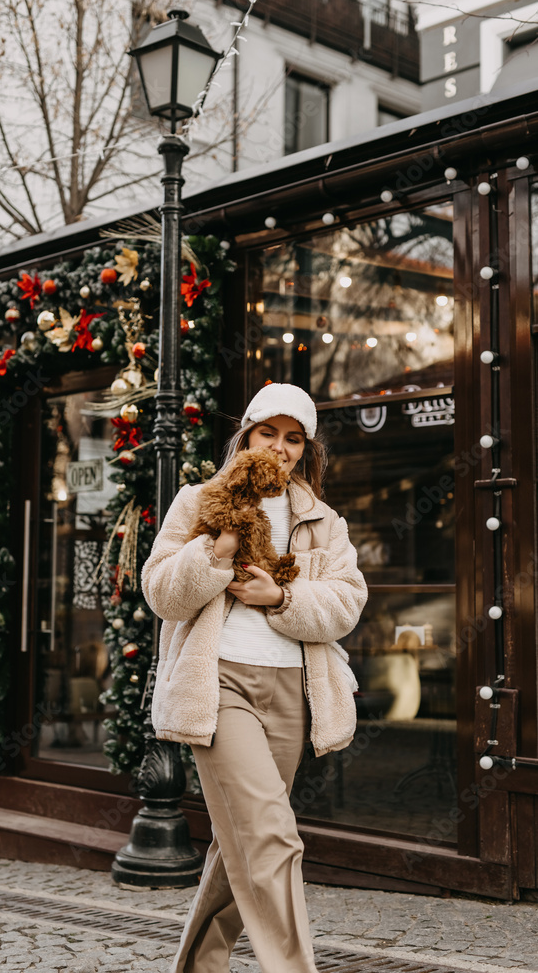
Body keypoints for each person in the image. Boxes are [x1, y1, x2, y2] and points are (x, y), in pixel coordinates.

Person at [141, 382, 367, 973]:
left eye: (294, 439)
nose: (280, 447)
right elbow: (162, 593)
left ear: (305, 449)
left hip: (290, 690)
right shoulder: (198, 501)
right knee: (273, 838)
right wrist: (219, 551)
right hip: (220, 686)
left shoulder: (323, 521)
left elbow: (346, 605)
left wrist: (282, 595)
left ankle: (196, 967)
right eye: (269, 432)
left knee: (241, 842)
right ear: (246, 435)